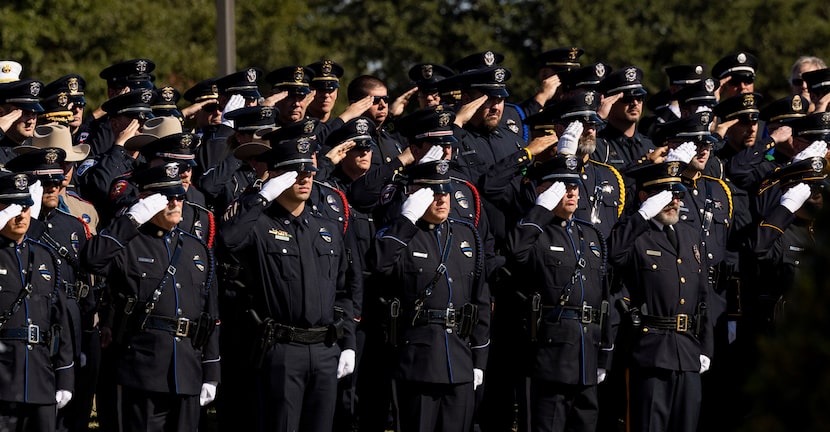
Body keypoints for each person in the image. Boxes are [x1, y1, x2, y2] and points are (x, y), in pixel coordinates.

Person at [219, 120, 356, 431]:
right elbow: (228, 241)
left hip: (325, 349)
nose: (306, 177)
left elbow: (344, 289)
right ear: (276, 175)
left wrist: (347, 341)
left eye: (309, 169)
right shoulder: (258, 223)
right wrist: (262, 198)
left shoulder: (328, 226)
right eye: (296, 170)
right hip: (281, 349)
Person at [81, 162, 220, 432]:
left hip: (188, 369)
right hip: (141, 370)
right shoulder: (127, 243)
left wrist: (212, 370)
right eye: (167, 197)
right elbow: (91, 260)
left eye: (179, 196)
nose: (176, 202)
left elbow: (210, 314)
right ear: (146, 200)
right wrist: (131, 220)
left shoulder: (196, 247)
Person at [368, 159, 490, 432]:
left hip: (459, 360)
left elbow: (479, 299)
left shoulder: (466, 234)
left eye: (445, 192)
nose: (442, 199)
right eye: (433, 192)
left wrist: (479, 360)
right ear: (414, 195)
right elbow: (379, 265)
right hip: (417, 361)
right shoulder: (398, 235)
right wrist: (405, 221)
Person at [506, 153, 612, 432]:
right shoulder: (534, 231)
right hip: (551, 356)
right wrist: (539, 210)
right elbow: (516, 253)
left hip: (586, 353)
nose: (572, 192)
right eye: (562, 186)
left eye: (575, 186)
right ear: (544, 190)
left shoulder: (590, 235)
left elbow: (602, 295)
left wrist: (605, 351)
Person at [609, 160, 713, 432]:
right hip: (651, 352)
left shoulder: (690, 234)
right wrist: (641, 217)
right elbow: (615, 255)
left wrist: (706, 347)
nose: (674, 202)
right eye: (665, 196)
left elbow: (703, 296)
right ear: (645, 197)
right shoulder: (635, 234)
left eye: (677, 195)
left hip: (688, 352)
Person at [0, 170, 74, 432]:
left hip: (41, 375)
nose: (20, 215)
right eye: (10, 207)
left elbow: (59, 321)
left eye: (25, 207)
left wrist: (65, 375)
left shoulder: (46, 258)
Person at [0, 78, 45, 161]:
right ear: (2, 113)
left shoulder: (38, 146)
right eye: (25, 113)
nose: (31, 121)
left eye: (34, 114)